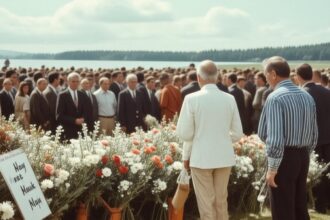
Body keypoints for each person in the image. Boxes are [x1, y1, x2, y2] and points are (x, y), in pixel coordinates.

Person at [177, 60, 243, 220]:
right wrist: (221, 139)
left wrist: (187, 154)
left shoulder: (191, 99)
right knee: (221, 202)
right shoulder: (229, 98)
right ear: (217, 77)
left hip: (201, 158)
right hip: (223, 157)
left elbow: (184, 134)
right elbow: (238, 133)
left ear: (199, 77)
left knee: (206, 204)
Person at [258, 56, 318, 220]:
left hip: (284, 157)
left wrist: (273, 167)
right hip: (302, 156)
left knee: (282, 209)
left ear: (273, 74)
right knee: (299, 207)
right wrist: (304, 154)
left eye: (266, 74)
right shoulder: (306, 96)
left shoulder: (275, 97)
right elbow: (314, 135)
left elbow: (273, 137)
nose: (266, 78)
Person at [296, 63, 330, 213]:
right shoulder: (326, 91)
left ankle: (314, 203)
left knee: (311, 173)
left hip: (311, 140)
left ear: (298, 77)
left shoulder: (301, 94)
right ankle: (324, 203)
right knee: (326, 173)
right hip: (328, 138)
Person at [57, 72, 90, 140]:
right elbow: (59, 116)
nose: (75, 83)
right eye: (73, 81)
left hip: (81, 131)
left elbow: (87, 111)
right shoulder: (62, 95)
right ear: (68, 82)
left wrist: (83, 118)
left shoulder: (83, 95)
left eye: (77, 81)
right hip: (67, 131)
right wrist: (74, 120)